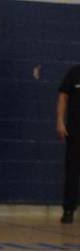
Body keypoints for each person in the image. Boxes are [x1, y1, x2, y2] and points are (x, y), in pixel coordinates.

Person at [57, 64, 80, 224]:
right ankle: (68, 210)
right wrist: (60, 121)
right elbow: (63, 97)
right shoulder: (74, 72)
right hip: (75, 131)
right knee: (72, 171)